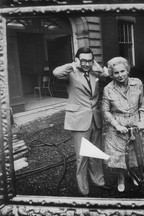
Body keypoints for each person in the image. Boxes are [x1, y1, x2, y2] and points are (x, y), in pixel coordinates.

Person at [53, 47, 110, 196]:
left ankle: (99, 181)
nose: (86, 64)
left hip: (95, 118)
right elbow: (56, 73)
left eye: (89, 60)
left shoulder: (94, 72)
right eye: (83, 60)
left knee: (96, 152)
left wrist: (95, 65)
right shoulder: (70, 72)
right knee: (82, 156)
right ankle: (84, 189)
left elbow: (105, 75)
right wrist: (73, 65)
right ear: (77, 60)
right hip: (79, 119)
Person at [102, 57, 144, 192]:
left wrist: (142, 120)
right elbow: (105, 111)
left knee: (134, 153)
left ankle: (132, 173)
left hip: (134, 124)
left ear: (127, 70)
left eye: (122, 71)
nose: (120, 75)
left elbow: (142, 104)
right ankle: (121, 177)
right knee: (119, 155)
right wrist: (116, 125)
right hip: (118, 126)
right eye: (116, 73)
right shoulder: (108, 89)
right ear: (111, 74)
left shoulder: (137, 83)